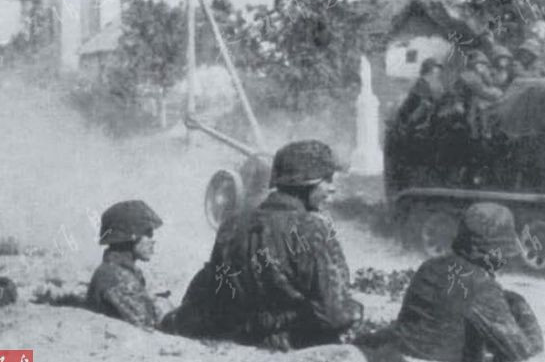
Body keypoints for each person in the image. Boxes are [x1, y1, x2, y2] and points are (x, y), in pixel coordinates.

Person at [161, 140, 363, 350]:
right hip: (299, 343)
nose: (332, 188)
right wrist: (356, 310)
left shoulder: (231, 224)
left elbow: (218, 294)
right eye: (327, 180)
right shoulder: (313, 227)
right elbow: (335, 315)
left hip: (241, 336)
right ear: (306, 183)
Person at [356, 202, 544, 362]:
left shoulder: (429, 266)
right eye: (504, 254)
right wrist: (520, 306)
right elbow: (522, 353)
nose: (506, 261)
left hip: (401, 357)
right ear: (494, 253)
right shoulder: (482, 287)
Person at [86, 200, 169, 329]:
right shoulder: (114, 276)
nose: (153, 241)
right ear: (131, 236)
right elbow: (147, 323)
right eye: (148, 234)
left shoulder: (121, 271)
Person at [453, 51, 503, 140]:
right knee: (473, 115)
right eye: (478, 64)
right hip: (471, 102)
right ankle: (475, 134)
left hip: (489, 101)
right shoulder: (466, 76)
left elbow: (494, 87)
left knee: (489, 113)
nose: (481, 67)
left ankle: (487, 131)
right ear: (471, 65)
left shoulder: (490, 75)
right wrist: (458, 103)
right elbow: (459, 91)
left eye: (483, 64)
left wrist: (487, 77)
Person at [396, 58, 445, 131]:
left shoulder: (429, 84)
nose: (438, 73)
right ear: (429, 71)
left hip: (415, 122)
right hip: (412, 125)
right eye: (435, 70)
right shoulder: (422, 84)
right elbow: (423, 105)